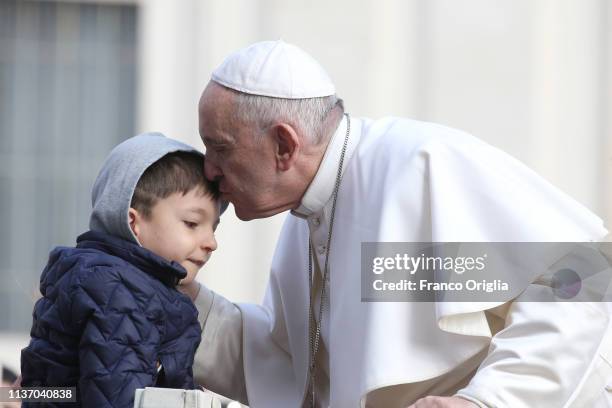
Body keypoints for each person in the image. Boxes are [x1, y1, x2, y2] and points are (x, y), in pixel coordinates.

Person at [188, 40, 611, 407]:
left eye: (219, 148)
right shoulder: (309, 213)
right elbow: (288, 366)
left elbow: (580, 277)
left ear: (284, 144)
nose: (209, 170)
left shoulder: (418, 171)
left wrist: (487, 400)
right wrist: (181, 300)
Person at [20, 133, 223, 408]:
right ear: (133, 222)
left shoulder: (110, 278)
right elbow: (118, 399)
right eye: (191, 222)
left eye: (214, 226)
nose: (211, 242)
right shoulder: (122, 291)